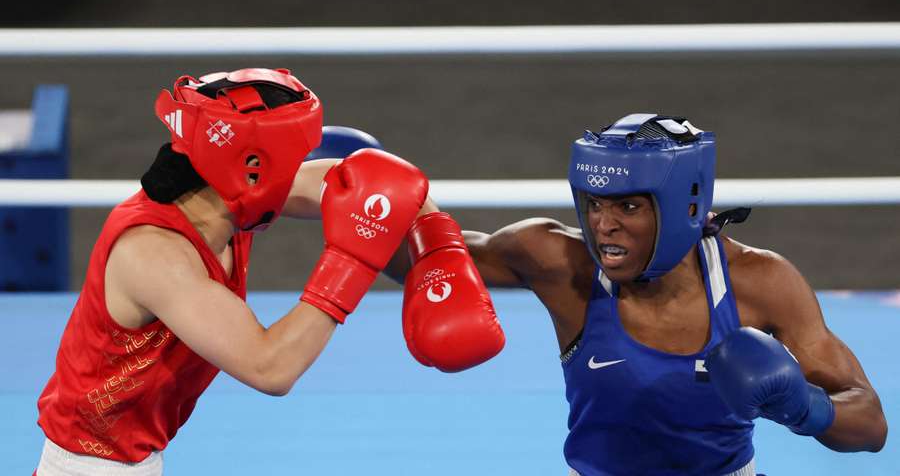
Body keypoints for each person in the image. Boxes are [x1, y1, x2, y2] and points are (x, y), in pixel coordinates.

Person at [33, 68, 503, 475]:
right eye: (294, 157)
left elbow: (378, 181)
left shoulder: (221, 196)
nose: (303, 166)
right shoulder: (154, 255)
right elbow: (270, 367)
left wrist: (437, 245)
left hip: (135, 460)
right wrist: (351, 261)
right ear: (253, 168)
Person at [451, 113, 887, 476]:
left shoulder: (761, 282)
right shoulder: (561, 264)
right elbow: (430, 253)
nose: (604, 224)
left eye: (628, 206)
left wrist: (803, 406)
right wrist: (383, 189)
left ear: (688, 207)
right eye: (596, 203)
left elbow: (870, 425)